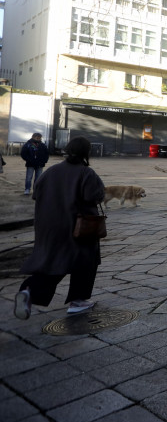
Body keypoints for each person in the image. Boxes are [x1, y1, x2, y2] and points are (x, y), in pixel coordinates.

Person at [14, 136, 106, 319]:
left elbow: (36, 194)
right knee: (86, 260)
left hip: (48, 226)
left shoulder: (50, 171)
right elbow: (95, 195)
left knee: (55, 262)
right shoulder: (86, 173)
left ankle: (29, 290)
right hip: (77, 227)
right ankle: (78, 301)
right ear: (86, 153)